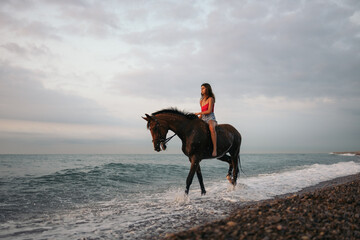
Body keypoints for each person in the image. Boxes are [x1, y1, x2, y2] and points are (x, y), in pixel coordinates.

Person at [195, 83, 217, 157]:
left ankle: (215, 149)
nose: (202, 90)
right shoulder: (201, 101)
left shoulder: (211, 99)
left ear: (207, 89)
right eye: (201, 88)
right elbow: (202, 115)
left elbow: (209, 111)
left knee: (211, 128)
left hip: (210, 117)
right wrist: (196, 119)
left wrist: (198, 112)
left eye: (203, 88)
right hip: (203, 118)